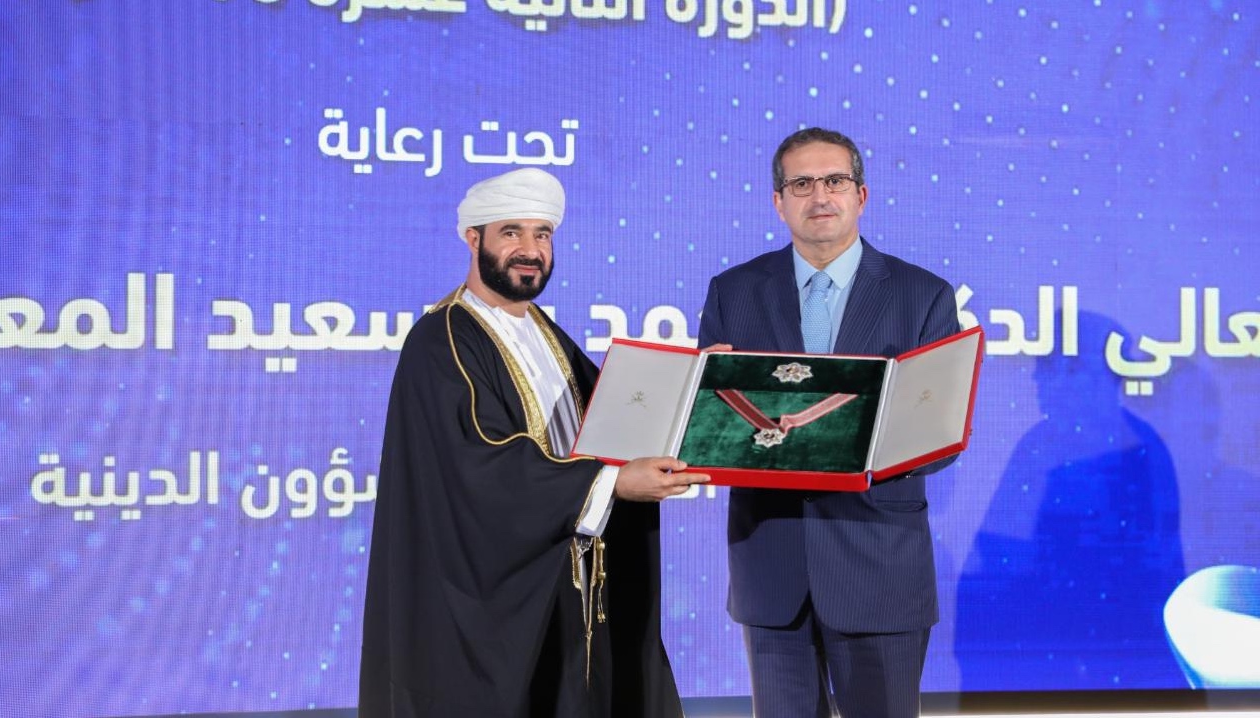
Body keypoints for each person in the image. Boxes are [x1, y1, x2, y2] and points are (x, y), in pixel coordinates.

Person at [359, 167, 705, 717]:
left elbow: (614, 415)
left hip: (570, 585)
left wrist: (696, 388)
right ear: (473, 238)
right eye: (511, 232)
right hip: (492, 606)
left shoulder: (543, 332)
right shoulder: (442, 339)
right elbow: (480, 465)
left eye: (542, 234)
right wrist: (613, 483)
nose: (530, 250)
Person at [696, 128, 961, 718]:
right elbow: (710, 427)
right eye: (801, 184)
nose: (819, 196)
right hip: (772, 566)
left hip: (878, 565)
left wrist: (835, 440)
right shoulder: (734, 292)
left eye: (835, 181)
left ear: (861, 195)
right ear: (778, 201)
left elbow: (940, 442)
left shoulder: (922, 295)